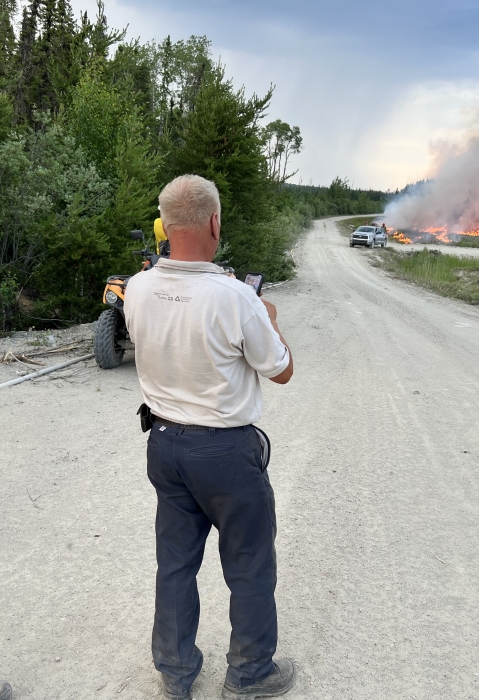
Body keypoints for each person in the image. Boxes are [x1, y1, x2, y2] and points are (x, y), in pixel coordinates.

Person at [124, 174, 295, 700]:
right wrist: (268, 317)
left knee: (175, 561)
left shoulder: (137, 286)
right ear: (214, 222)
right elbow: (281, 369)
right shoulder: (236, 295)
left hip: (166, 444)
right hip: (225, 451)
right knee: (248, 562)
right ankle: (250, 673)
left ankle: (175, 672)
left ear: (165, 225)